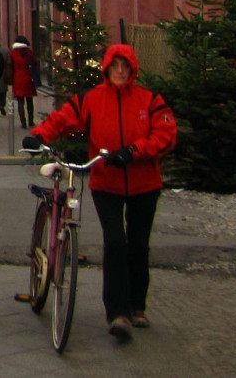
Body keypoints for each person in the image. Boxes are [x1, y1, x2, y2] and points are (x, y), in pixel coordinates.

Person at [22, 43, 176, 342]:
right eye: (115, 65)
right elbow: (63, 119)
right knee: (115, 242)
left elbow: (166, 135)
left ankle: (137, 304)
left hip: (144, 184)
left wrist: (133, 151)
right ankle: (118, 313)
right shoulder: (92, 99)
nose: (120, 71)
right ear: (106, 68)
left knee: (139, 244)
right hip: (107, 183)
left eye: (125, 66)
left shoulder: (149, 100)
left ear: (132, 69)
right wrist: (38, 135)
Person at [8, 36, 36, 129]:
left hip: (18, 79)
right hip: (28, 78)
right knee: (29, 101)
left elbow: (10, 66)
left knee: (20, 102)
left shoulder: (13, 52)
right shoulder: (29, 52)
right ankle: (31, 121)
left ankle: (23, 123)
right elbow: (35, 63)